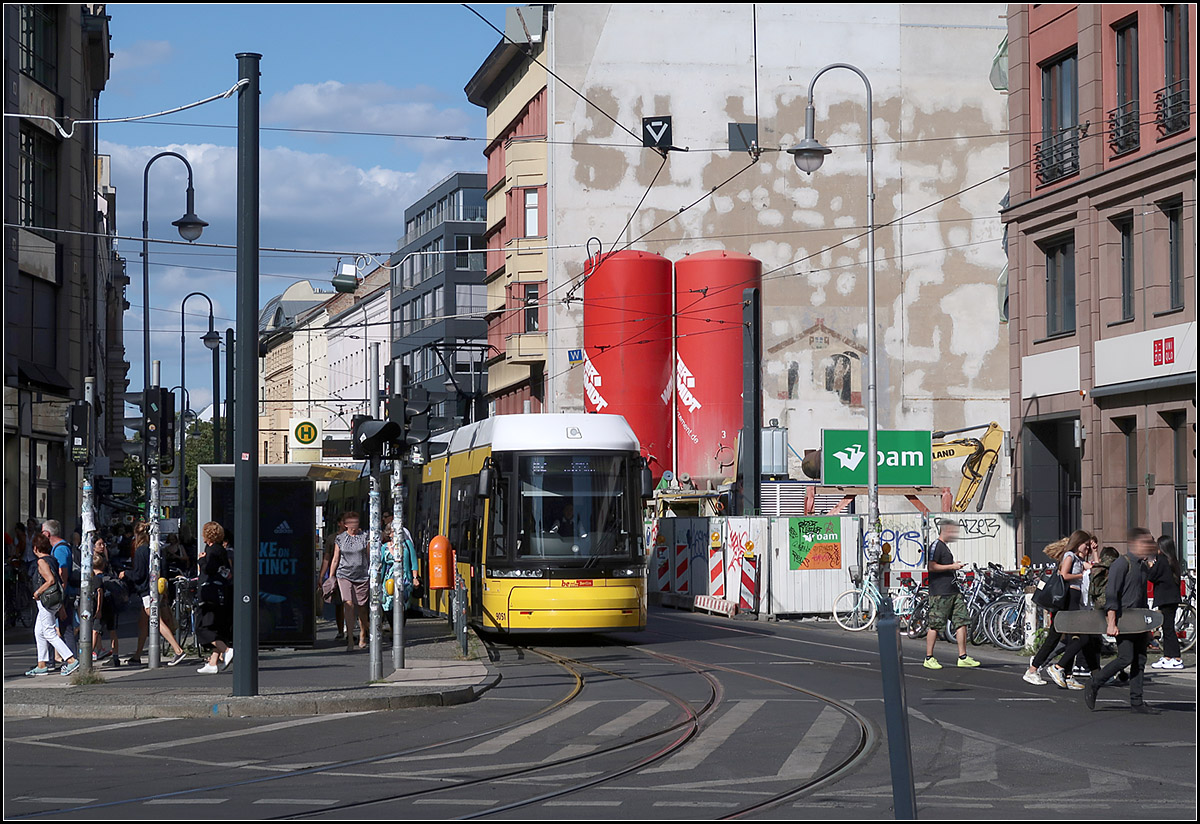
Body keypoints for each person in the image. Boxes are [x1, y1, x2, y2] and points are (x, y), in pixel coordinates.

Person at [1084, 528, 1159, 714]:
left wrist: (1147, 626)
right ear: (1135, 544)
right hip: (1122, 618)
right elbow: (1112, 594)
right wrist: (1111, 622)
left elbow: (1141, 598)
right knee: (1126, 657)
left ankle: (1137, 702)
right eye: (1146, 543)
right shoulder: (1121, 564)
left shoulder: (1142, 566)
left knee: (1140, 660)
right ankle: (1095, 682)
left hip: (1138, 620)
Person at [1021, 530, 1091, 686]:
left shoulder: (1078, 558)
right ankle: (1038, 669)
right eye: (1086, 546)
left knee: (1066, 637)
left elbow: (1095, 566)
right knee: (1076, 637)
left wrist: (1095, 550)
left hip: (1073, 601)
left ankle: (1065, 673)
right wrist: (1082, 576)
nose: (1087, 550)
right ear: (1078, 544)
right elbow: (1064, 575)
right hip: (1068, 600)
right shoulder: (1070, 556)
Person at [119, 523, 187, 667]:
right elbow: (164, 570)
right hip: (158, 588)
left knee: (156, 621)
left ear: (137, 535)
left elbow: (138, 575)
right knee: (143, 623)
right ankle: (137, 655)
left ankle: (178, 650)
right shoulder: (158, 550)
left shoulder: (141, 551)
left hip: (146, 590)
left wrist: (126, 574)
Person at [923, 519, 980, 669]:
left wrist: (954, 567)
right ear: (945, 531)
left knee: (962, 621)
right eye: (952, 531)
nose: (954, 534)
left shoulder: (945, 548)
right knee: (935, 624)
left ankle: (963, 656)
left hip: (953, 590)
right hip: (940, 592)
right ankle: (929, 657)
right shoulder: (936, 546)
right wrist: (952, 566)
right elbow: (931, 566)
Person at [26, 533, 80, 677]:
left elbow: (50, 580)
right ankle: (41, 664)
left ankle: (71, 660)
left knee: (49, 632)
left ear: (35, 548)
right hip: (53, 600)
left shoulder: (41, 562)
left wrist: (37, 592)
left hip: (46, 601)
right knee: (39, 631)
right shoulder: (52, 559)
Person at [195, 522, 234, 675]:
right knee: (217, 628)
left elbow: (209, 568)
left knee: (202, 628)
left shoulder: (211, 551)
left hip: (210, 594)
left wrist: (201, 560)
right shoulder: (221, 550)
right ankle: (212, 662)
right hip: (221, 593)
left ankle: (227, 650)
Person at [329, 511, 370, 649]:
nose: (354, 525)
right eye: (351, 522)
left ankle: (363, 633)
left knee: (362, 608)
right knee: (348, 604)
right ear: (346, 525)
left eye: (356, 522)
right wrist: (331, 576)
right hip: (344, 574)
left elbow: (369, 556)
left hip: (362, 575)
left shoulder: (365, 537)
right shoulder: (340, 539)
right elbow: (335, 558)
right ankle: (351, 638)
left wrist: (373, 573)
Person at [1148, 535, 1184, 670]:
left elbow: (1151, 576)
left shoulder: (1162, 561)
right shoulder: (1172, 561)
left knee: (1168, 629)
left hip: (1166, 599)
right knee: (1167, 628)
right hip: (1172, 599)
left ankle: (1176, 658)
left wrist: (1151, 565)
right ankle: (1168, 656)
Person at [319, 513, 347, 640]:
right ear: (339, 523)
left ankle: (350, 630)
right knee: (339, 604)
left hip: (352, 574)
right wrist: (322, 576)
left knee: (350, 603)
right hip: (337, 574)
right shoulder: (332, 539)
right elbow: (327, 558)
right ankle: (341, 630)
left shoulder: (357, 536)